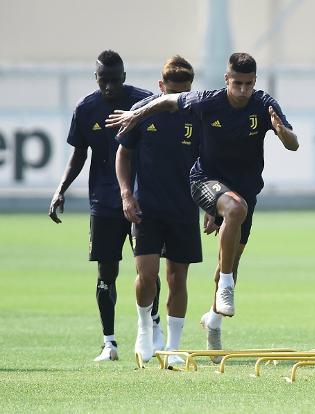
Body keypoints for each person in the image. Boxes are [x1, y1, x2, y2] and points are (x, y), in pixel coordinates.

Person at [106, 52, 298, 362]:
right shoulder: (208, 101)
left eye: (248, 84)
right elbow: (167, 102)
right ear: (226, 79)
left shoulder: (263, 105)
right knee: (233, 214)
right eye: (237, 83)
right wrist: (135, 115)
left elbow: (293, 144)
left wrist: (281, 130)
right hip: (203, 182)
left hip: (244, 192)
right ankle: (218, 292)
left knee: (230, 258)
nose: (242, 91)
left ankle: (213, 319)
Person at [48, 50, 164, 362]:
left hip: (142, 199)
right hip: (103, 203)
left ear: (124, 77)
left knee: (148, 270)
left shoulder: (144, 102)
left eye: (115, 80)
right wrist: (60, 190)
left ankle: (154, 330)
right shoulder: (86, 108)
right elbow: (78, 156)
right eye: (104, 80)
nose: (110, 86)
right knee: (106, 272)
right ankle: (109, 343)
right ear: (96, 78)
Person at [115, 55, 202, 365]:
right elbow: (123, 155)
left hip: (184, 208)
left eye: (185, 91)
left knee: (178, 278)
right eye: (173, 91)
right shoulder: (142, 112)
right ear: (161, 85)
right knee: (147, 275)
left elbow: (210, 163)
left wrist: (210, 206)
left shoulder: (198, 114)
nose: (178, 98)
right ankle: (144, 330)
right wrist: (126, 194)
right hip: (147, 207)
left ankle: (174, 346)